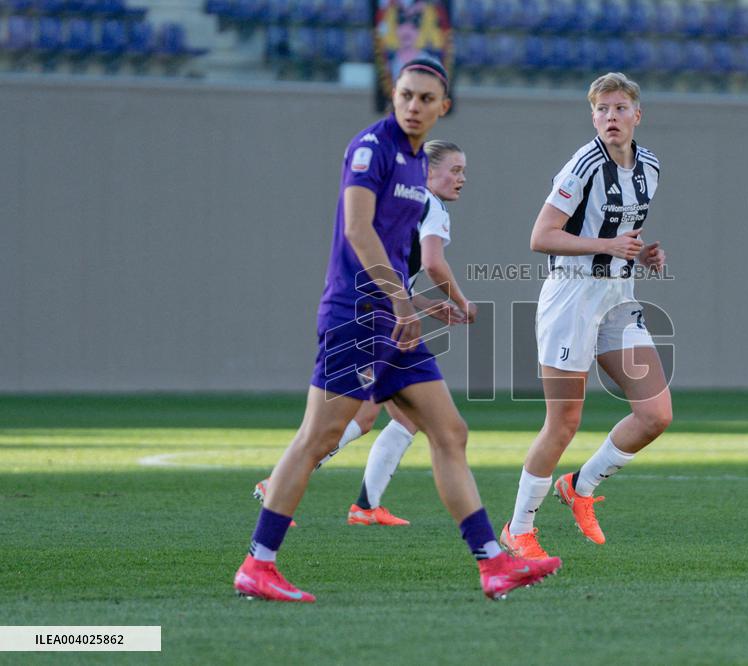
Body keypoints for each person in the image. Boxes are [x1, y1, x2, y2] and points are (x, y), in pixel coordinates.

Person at [233, 57, 562, 603]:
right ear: (394, 94)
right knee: (317, 436)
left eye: (425, 99)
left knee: (449, 430)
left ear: (442, 107)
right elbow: (359, 232)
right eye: (406, 95)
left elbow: (398, 252)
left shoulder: (415, 166)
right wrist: (403, 304)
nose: (413, 106)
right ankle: (258, 564)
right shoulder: (371, 150)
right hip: (357, 313)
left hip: (392, 319)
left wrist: (417, 309)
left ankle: (491, 564)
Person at [251, 140, 478, 528]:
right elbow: (434, 262)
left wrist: (426, 305)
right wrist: (461, 299)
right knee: (340, 423)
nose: (462, 179)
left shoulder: (402, 205)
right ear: (426, 171)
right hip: (377, 320)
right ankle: (279, 486)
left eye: (463, 172)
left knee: (397, 417)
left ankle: (366, 506)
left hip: (369, 309)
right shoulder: (432, 206)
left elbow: (391, 271)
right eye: (454, 170)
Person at [499, 72, 672, 559]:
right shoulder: (583, 164)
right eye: (601, 110)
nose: (610, 118)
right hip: (571, 295)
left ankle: (580, 486)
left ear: (638, 115)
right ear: (592, 116)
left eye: (619, 109)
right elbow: (540, 236)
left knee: (655, 413)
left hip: (617, 294)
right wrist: (607, 246)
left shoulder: (650, 166)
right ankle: (518, 529)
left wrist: (641, 254)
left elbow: (620, 233)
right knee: (563, 423)